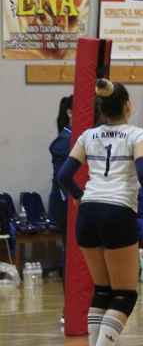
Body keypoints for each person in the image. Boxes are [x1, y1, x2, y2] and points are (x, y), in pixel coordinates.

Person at [57, 79, 143, 346]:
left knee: (102, 290)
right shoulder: (137, 135)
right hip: (117, 213)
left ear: (102, 109)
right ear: (128, 106)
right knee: (125, 294)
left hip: (88, 214)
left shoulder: (87, 135)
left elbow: (64, 176)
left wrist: (78, 196)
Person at [49, 95, 72, 320]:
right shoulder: (63, 141)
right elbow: (62, 179)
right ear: (70, 113)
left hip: (75, 201)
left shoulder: (83, 137)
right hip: (65, 202)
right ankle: (70, 308)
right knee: (72, 251)